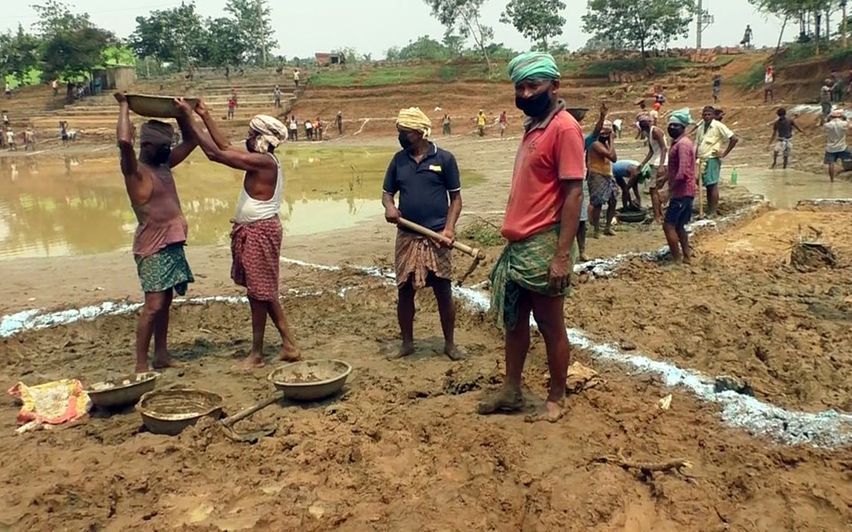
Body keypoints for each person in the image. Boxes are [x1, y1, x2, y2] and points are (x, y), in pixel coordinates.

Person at [479, 51, 584, 423]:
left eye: (532, 86)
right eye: (519, 87)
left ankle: (557, 397)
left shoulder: (565, 128)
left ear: (554, 86)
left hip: (543, 242)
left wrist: (560, 256)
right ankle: (512, 389)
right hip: (520, 243)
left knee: (551, 322)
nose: (525, 94)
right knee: (514, 321)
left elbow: (574, 193)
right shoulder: (533, 126)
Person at [181, 98, 300, 367]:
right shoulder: (263, 161)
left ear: (263, 139)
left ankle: (257, 354)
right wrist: (204, 115)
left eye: (251, 135)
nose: (247, 139)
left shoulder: (264, 163)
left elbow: (216, 154)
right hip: (254, 230)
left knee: (259, 293)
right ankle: (289, 345)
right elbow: (223, 146)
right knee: (262, 291)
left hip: (260, 231)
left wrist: (189, 118)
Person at [114, 92, 198, 373]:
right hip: (153, 247)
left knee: (166, 301)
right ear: (147, 145)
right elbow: (124, 142)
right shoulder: (135, 172)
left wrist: (184, 114)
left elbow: (191, 141)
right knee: (153, 305)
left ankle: (161, 354)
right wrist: (125, 105)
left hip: (172, 243)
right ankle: (141, 363)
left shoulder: (162, 164)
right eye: (163, 148)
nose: (168, 152)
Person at [381, 107, 464, 361]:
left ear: (419, 133)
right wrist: (391, 207)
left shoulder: (445, 159)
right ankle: (407, 343)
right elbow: (387, 194)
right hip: (407, 235)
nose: (401, 137)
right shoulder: (398, 160)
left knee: (443, 290)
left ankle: (449, 344)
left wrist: (448, 229)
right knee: (405, 290)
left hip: (437, 236)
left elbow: (456, 199)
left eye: (404, 132)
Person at [663, 109, 696, 264]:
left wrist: (668, 192)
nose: (672, 128)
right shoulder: (682, 143)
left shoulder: (682, 145)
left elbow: (682, 172)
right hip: (686, 192)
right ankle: (687, 257)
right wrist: (664, 178)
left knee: (668, 225)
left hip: (681, 192)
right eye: (670, 126)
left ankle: (676, 259)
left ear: (683, 127)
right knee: (680, 226)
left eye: (676, 126)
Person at [696, 106, 738, 217]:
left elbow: (734, 138)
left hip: (712, 158)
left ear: (713, 115)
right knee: (705, 185)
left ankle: (713, 211)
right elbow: (698, 144)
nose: (706, 117)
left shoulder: (718, 126)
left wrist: (724, 153)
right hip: (701, 159)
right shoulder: (701, 127)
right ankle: (709, 210)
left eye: (709, 114)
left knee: (712, 185)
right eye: (704, 114)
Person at [587, 120, 617, 238]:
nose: (604, 136)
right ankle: (596, 230)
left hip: (607, 174)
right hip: (597, 174)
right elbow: (612, 157)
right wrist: (612, 140)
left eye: (607, 133)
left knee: (613, 201)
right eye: (603, 133)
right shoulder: (595, 144)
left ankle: (607, 227)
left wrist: (610, 142)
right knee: (598, 203)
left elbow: (613, 157)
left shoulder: (605, 144)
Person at [637, 113, 668, 224]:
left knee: (654, 190)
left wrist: (660, 166)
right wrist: (642, 163)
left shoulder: (655, 131)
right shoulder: (649, 132)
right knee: (656, 190)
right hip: (655, 162)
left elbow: (664, 148)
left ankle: (657, 217)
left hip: (660, 163)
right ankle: (660, 214)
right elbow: (652, 150)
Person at [823, 109, 851, 182]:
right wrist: (845, 118)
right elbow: (849, 124)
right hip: (842, 146)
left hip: (830, 148)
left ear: (831, 116)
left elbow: (824, 123)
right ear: (841, 116)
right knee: (849, 157)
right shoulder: (843, 123)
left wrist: (828, 118)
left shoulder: (828, 125)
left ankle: (832, 180)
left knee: (831, 164)